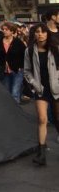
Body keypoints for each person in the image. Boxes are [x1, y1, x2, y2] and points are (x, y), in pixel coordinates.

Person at [23, 24, 59, 166]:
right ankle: (42, 153)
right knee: (42, 119)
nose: (40, 34)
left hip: (56, 89)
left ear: (47, 34)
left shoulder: (56, 49)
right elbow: (26, 71)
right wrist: (34, 84)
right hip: (41, 90)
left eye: (43, 32)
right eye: (37, 32)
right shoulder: (30, 51)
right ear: (34, 35)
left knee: (57, 118)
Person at [0, 22, 26, 103]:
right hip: (3, 71)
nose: (4, 31)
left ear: (12, 31)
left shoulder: (18, 42)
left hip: (17, 70)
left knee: (15, 93)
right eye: (3, 29)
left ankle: (16, 113)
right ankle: (9, 113)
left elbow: (24, 55)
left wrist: (21, 66)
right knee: (6, 93)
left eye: (7, 29)